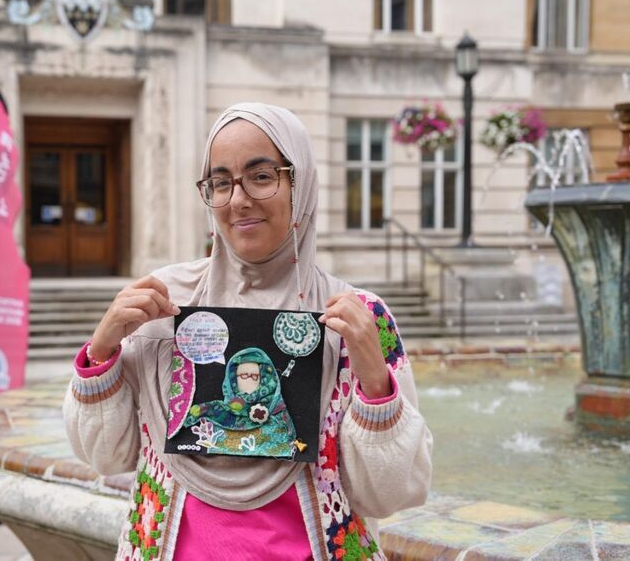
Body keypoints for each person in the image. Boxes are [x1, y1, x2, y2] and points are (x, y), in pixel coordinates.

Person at [64, 103, 433, 561]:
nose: (238, 200)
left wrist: (375, 383)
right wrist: (102, 352)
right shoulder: (162, 304)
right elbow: (104, 456)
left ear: (300, 183)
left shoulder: (357, 317)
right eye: (221, 182)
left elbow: (389, 495)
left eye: (261, 176)